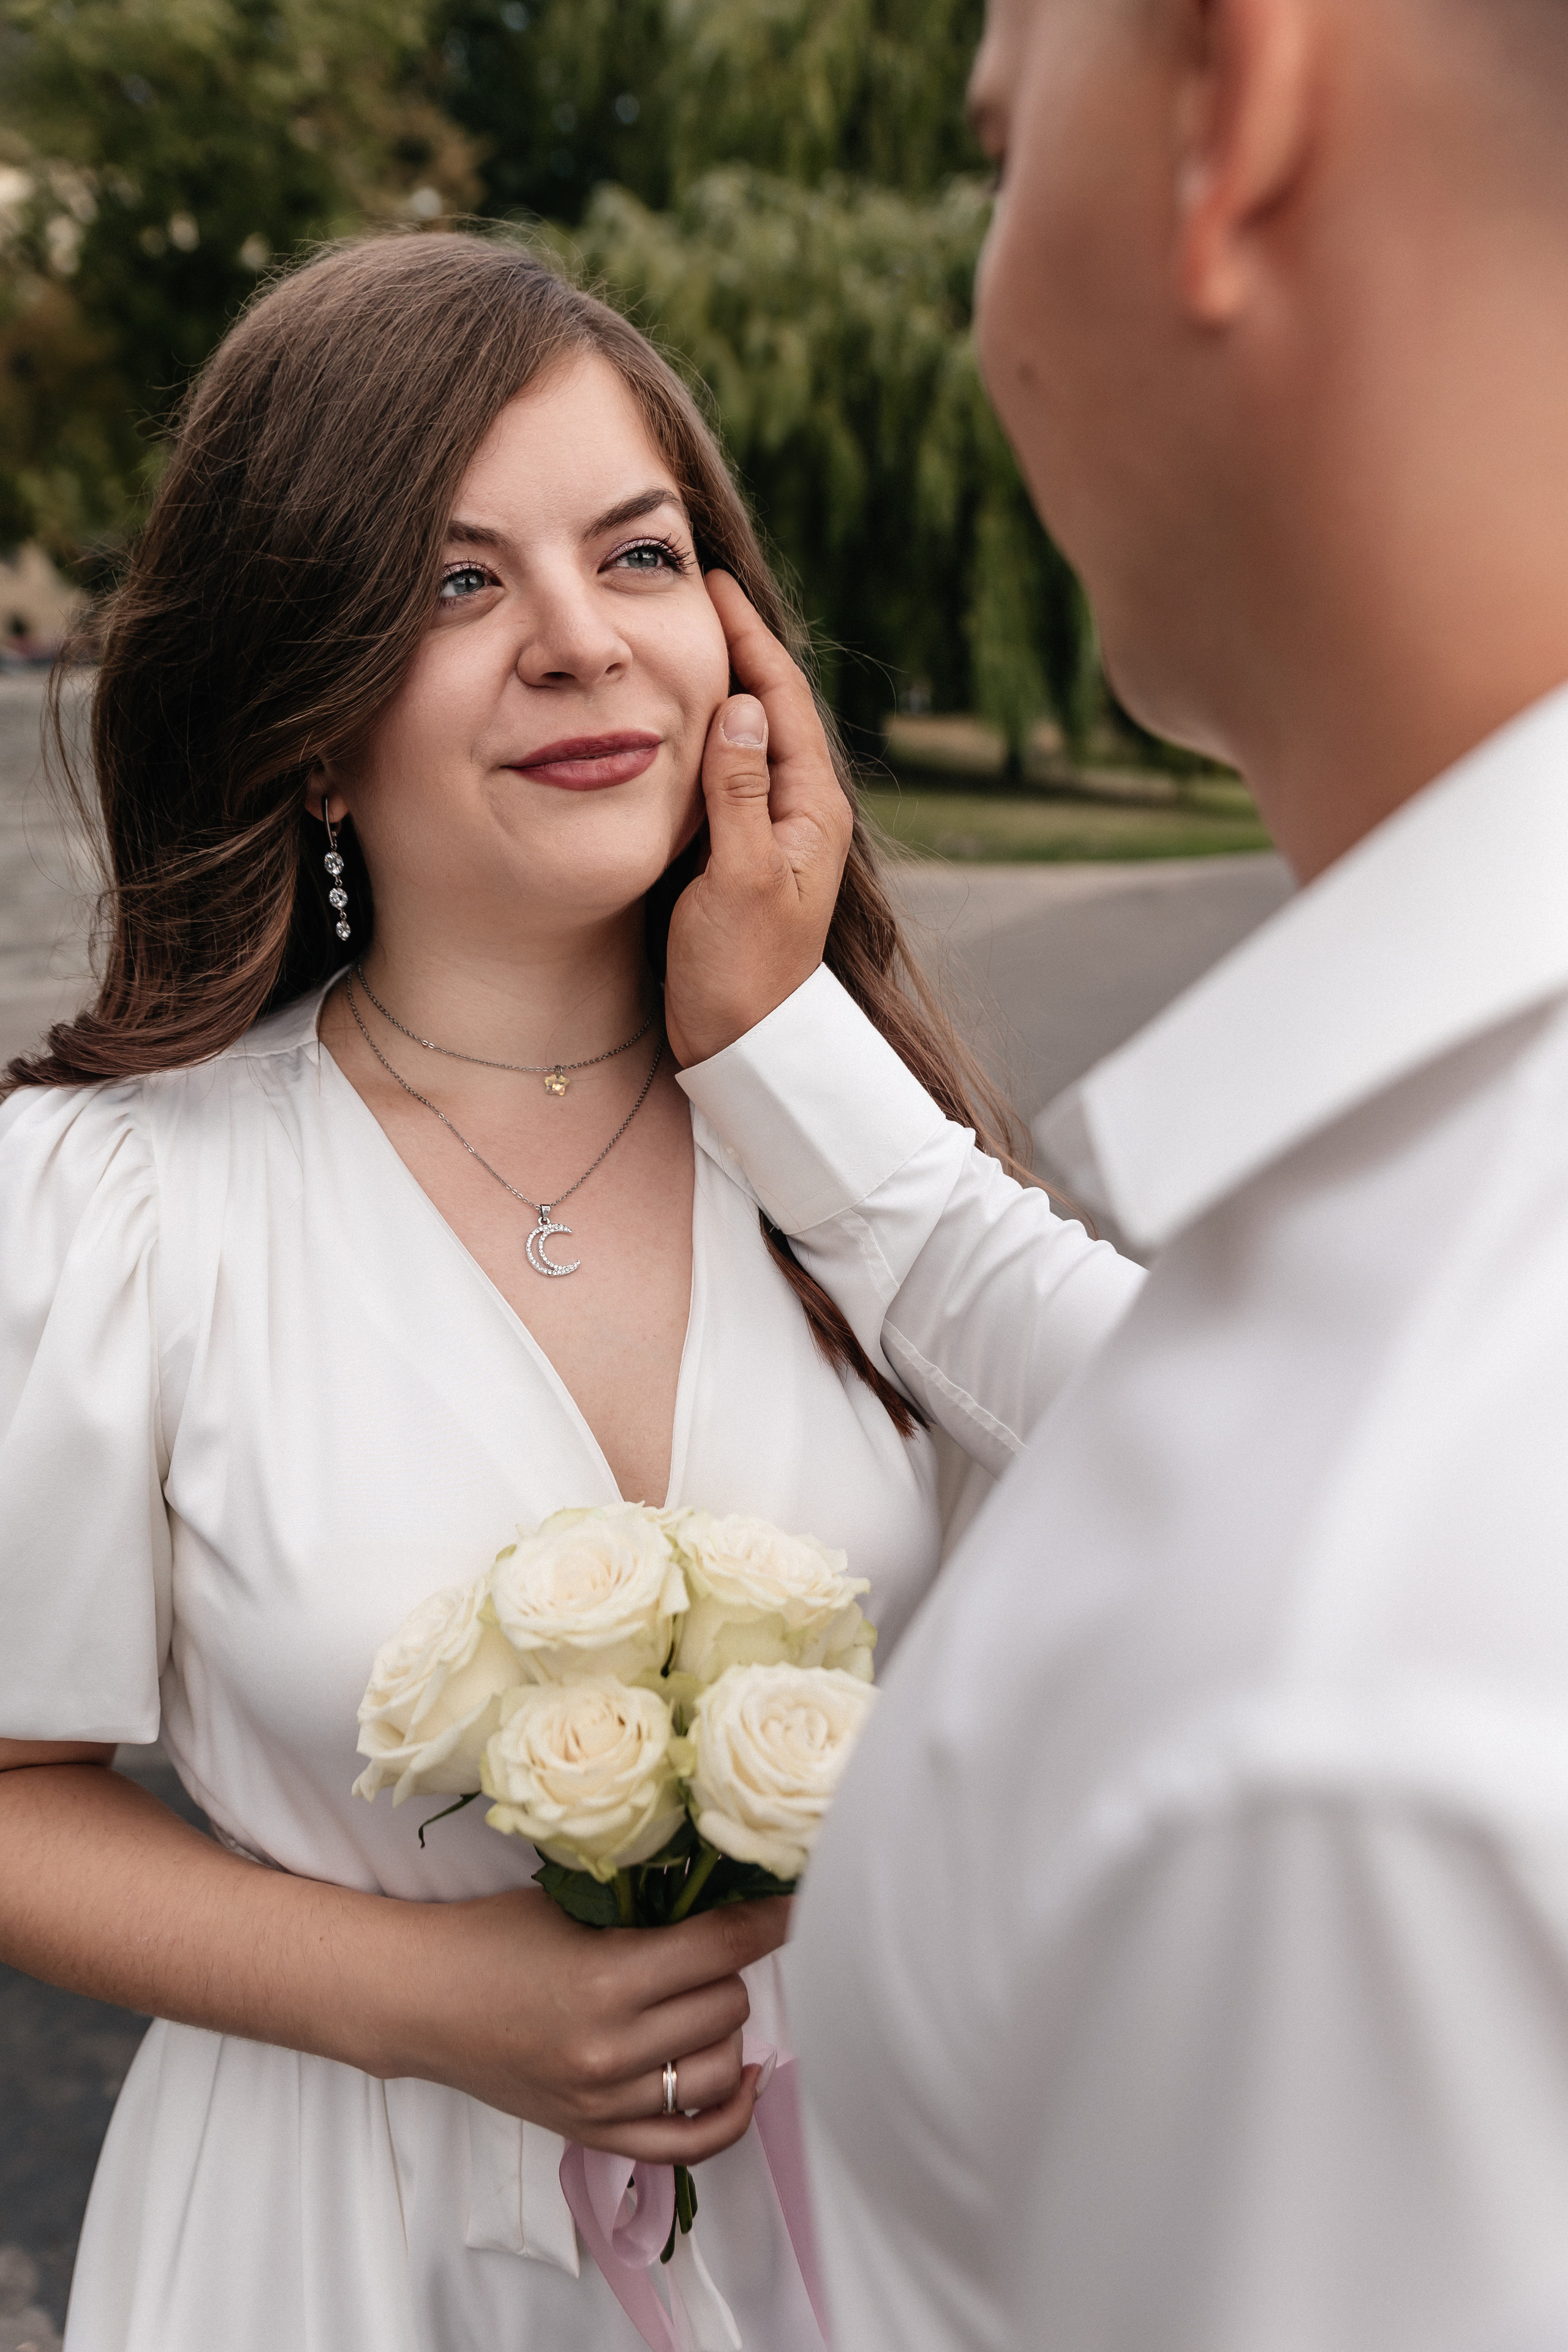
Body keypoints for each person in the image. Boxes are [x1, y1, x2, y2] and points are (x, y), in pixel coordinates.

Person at [0, 232, 1142, 2351]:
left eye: (638, 556)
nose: (574, 644)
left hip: (844, 2241)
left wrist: (788, 1054)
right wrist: (437, 1997)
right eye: (451, 585)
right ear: (308, 726)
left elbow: (1248, 1496)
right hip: (333, 2251)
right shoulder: (114, 1206)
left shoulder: (863, 1177)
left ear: (739, 645)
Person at [662, 0, 1568, 2345]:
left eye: (994, 144)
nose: (979, 306)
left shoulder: (1337, 1686)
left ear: (1240, 93)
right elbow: (1166, 1379)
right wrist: (784, 1056)